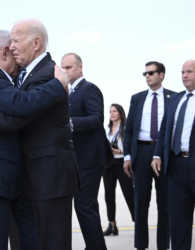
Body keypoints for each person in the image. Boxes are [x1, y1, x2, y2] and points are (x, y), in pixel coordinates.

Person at [0, 19, 80, 250]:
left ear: (36, 43)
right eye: (10, 42)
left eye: (16, 40)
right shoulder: (12, 77)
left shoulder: (47, 74)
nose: (12, 47)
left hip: (46, 176)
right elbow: (15, 105)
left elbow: (19, 112)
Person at [61, 53, 112, 250]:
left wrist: (69, 123)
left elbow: (97, 118)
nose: (65, 71)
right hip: (78, 158)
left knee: (83, 205)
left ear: (80, 68)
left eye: (69, 67)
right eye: (63, 68)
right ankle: (94, 245)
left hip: (90, 158)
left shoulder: (88, 88)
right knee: (88, 205)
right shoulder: (69, 92)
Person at [123, 61, 175, 250]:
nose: (147, 76)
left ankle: (163, 246)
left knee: (165, 203)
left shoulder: (174, 98)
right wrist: (127, 156)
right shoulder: (137, 99)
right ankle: (141, 246)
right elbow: (128, 130)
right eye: (145, 73)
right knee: (141, 202)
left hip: (164, 154)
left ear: (162, 75)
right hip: (141, 152)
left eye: (151, 73)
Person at [151, 59, 195, 250]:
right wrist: (157, 155)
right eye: (183, 72)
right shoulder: (175, 99)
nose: (184, 75)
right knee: (178, 219)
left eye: (190, 72)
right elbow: (163, 131)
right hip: (175, 165)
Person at [103, 104, 134, 236]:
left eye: (114, 111)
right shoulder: (107, 128)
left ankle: (137, 221)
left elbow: (131, 147)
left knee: (129, 193)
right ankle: (112, 224)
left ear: (120, 113)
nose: (112, 113)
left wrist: (119, 151)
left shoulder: (126, 128)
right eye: (110, 111)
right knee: (109, 195)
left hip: (122, 162)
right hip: (108, 164)